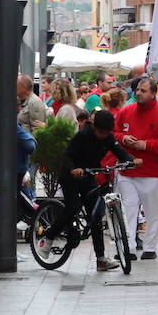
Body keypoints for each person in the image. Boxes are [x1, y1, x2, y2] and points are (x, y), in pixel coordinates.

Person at [49, 109, 141, 271]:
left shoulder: (108, 137)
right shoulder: (82, 136)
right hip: (71, 175)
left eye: (107, 132)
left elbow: (119, 151)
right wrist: (73, 169)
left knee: (96, 216)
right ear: (94, 127)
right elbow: (67, 155)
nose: (103, 135)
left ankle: (101, 259)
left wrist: (132, 160)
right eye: (100, 132)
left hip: (89, 174)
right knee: (73, 206)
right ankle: (49, 236)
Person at [113, 77, 158, 261]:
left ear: (154, 94)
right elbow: (114, 133)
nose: (138, 93)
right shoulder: (126, 111)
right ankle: (129, 248)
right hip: (127, 170)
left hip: (151, 171)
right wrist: (123, 138)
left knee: (151, 211)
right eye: (138, 90)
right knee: (129, 210)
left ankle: (150, 247)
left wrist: (146, 145)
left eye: (143, 90)